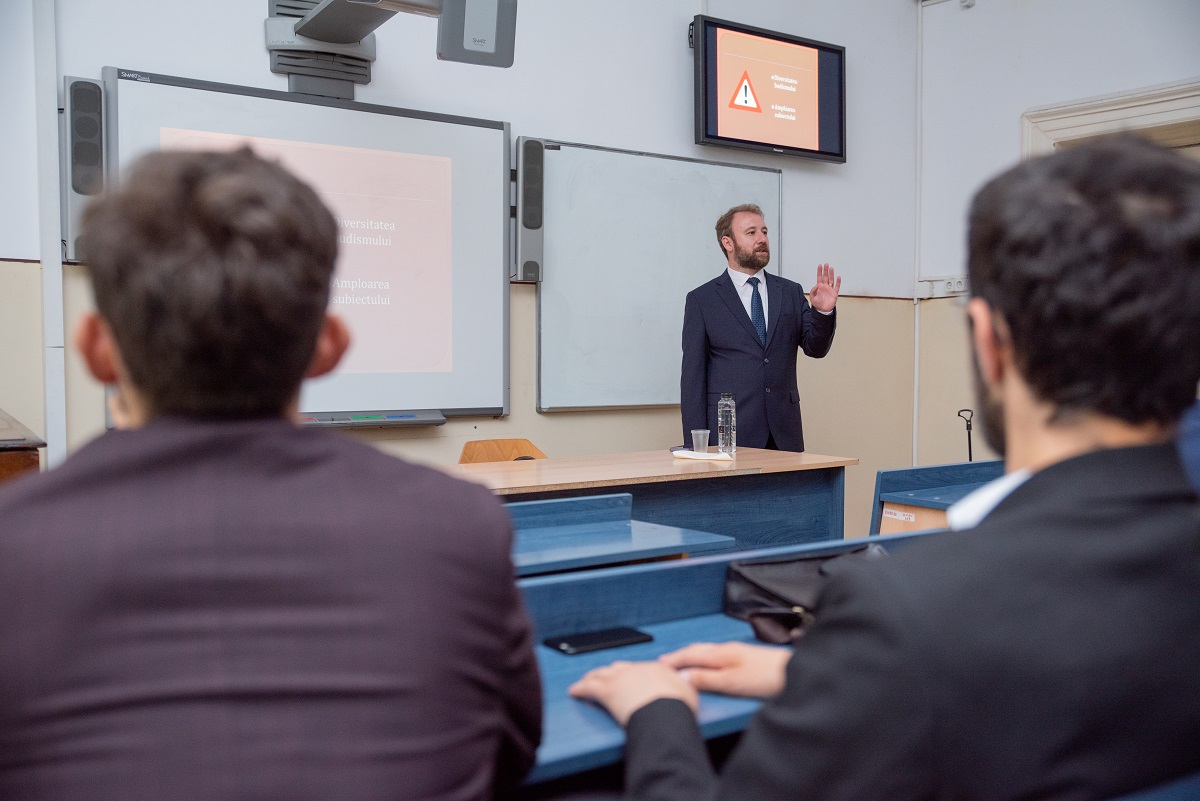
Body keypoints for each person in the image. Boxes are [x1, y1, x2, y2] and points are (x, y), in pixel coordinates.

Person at [571, 137, 1200, 800]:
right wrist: (828, 672)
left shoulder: (906, 609)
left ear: (988, 343)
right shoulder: (929, 629)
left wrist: (657, 709)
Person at [0, 148, 541, 801]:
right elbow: (508, 753)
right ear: (329, 345)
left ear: (95, 348)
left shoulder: (16, 545)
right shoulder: (457, 522)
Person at [680, 203, 840, 452]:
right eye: (751, 232)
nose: (762, 239)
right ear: (728, 243)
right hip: (730, 437)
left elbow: (815, 348)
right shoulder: (703, 300)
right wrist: (696, 446)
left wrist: (823, 311)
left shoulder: (790, 292)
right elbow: (693, 379)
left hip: (784, 434)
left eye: (764, 232)